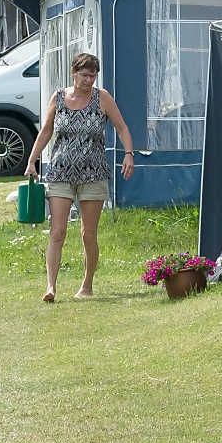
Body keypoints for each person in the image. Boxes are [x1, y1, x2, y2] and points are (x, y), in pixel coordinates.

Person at [25, 53, 135, 302]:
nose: (88, 80)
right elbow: (46, 131)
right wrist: (32, 160)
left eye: (93, 75)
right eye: (84, 75)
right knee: (58, 231)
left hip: (93, 174)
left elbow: (122, 127)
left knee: (88, 233)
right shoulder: (60, 97)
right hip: (61, 172)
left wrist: (128, 154)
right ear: (73, 73)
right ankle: (51, 286)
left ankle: (87, 284)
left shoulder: (102, 98)